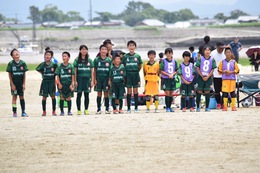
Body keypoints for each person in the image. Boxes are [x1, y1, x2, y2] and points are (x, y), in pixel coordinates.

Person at [6, 49, 28, 117]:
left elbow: (24, 74)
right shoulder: (11, 63)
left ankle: (23, 112)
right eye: (14, 52)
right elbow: (9, 74)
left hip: (20, 83)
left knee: (21, 96)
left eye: (17, 52)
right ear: (12, 56)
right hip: (14, 83)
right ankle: (14, 112)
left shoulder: (23, 63)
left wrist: (24, 84)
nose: (16, 53)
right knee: (14, 97)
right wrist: (12, 84)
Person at [122, 40, 143, 113]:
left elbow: (140, 65)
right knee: (129, 91)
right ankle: (128, 108)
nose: (131, 47)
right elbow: (123, 65)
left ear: (135, 47)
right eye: (130, 45)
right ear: (128, 47)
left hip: (135, 75)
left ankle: (136, 108)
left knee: (136, 91)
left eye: (133, 45)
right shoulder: (125, 56)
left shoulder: (137, 56)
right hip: (128, 75)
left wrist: (136, 71)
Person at [73, 45, 94, 115]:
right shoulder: (76, 60)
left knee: (86, 95)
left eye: (85, 49)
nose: (84, 51)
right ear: (80, 51)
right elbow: (75, 71)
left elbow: (92, 71)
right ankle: (79, 110)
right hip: (79, 79)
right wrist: (75, 80)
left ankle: (86, 109)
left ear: (87, 51)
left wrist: (92, 80)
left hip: (87, 79)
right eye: (82, 49)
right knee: (79, 95)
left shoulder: (90, 60)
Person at [36, 50, 58, 116]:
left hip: (52, 82)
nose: (47, 56)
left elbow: (58, 71)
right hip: (45, 82)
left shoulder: (54, 64)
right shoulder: (42, 64)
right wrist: (43, 74)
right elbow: (38, 69)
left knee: (53, 96)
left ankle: (54, 111)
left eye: (49, 55)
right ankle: (44, 111)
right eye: (46, 55)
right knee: (44, 97)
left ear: (51, 57)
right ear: (44, 56)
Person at [195, 46, 217, 112]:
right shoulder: (200, 59)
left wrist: (208, 76)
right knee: (199, 91)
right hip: (201, 77)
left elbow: (213, 69)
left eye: (208, 50)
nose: (207, 51)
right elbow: (197, 67)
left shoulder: (212, 59)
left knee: (207, 91)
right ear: (203, 51)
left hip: (208, 77)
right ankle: (198, 107)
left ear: (210, 51)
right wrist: (201, 75)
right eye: (206, 50)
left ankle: (207, 107)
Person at [93, 44, 112, 114]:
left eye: (105, 49)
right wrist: (94, 79)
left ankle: (107, 108)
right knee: (99, 94)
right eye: (102, 49)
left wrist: (110, 80)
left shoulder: (109, 60)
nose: (104, 51)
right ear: (100, 51)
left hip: (106, 79)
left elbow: (110, 71)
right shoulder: (96, 60)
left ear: (107, 51)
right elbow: (94, 70)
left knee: (106, 94)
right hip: (99, 78)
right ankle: (98, 108)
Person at [55, 52, 75, 116]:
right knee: (62, 97)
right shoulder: (60, 66)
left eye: (65, 56)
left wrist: (72, 84)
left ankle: (69, 111)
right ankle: (62, 111)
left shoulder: (71, 66)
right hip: (62, 84)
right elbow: (57, 75)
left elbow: (73, 76)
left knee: (69, 98)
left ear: (68, 58)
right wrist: (59, 83)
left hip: (68, 84)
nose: (64, 58)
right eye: (63, 56)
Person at [160, 48, 178, 112]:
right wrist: (168, 75)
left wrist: (173, 74)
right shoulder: (163, 61)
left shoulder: (174, 61)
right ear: (165, 54)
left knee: (171, 93)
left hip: (172, 79)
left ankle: (170, 107)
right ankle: (167, 107)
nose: (168, 54)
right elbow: (161, 70)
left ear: (172, 53)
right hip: (165, 79)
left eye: (170, 53)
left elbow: (176, 70)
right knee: (167, 92)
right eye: (167, 53)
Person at [211, 42, 226, 109]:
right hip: (215, 75)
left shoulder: (225, 53)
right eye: (220, 48)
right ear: (216, 47)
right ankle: (219, 103)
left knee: (224, 90)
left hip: (224, 75)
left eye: (222, 49)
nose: (221, 50)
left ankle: (223, 103)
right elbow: (210, 64)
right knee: (217, 91)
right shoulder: (213, 53)